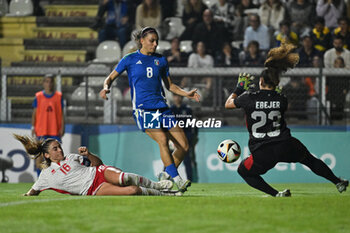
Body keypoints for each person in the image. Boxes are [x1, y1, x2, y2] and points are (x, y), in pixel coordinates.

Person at [224, 43, 349, 197]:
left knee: (243, 171)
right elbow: (279, 105)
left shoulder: (248, 98)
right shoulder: (282, 99)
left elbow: (228, 104)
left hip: (262, 151)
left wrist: (239, 88)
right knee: (309, 160)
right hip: (285, 144)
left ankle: (276, 194)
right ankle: (337, 181)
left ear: (261, 81)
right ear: (276, 83)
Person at [99, 27, 200, 193]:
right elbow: (110, 78)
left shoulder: (161, 60)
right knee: (162, 140)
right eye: (152, 40)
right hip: (143, 111)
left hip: (163, 109)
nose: (155, 44)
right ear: (142, 41)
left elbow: (170, 86)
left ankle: (165, 176)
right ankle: (177, 180)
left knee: (184, 146)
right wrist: (105, 88)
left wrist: (186, 93)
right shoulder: (129, 59)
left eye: (157, 40)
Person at [14, 134, 176, 196]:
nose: (60, 149)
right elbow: (33, 191)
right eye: (55, 148)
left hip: (98, 173)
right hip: (91, 189)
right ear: (47, 155)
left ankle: (159, 185)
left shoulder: (71, 157)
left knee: (124, 177)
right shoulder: (46, 176)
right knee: (131, 190)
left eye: (60, 146)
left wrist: (89, 155)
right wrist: (27, 195)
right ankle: (167, 195)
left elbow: (98, 164)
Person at [31, 74, 65, 176]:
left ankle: (54, 179)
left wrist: (62, 127)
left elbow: (61, 113)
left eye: (50, 81)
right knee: (40, 157)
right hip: (41, 130)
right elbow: (34, 114)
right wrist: (33, 127)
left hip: (54, 130)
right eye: (46, 81)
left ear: (53, 83)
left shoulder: (59, 96)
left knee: (55, 157)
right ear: (43, 83)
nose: (48, 84)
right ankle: (40, 178)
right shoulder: (38, 96)